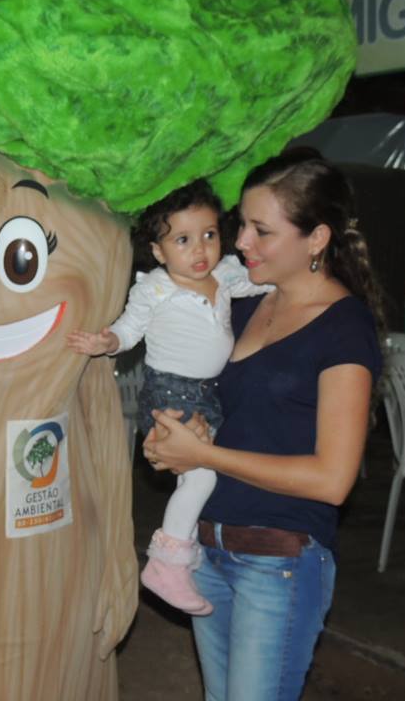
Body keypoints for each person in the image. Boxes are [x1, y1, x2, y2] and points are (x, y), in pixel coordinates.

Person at [142, 156, 384, 701]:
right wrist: (174, 440)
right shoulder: (245, 303)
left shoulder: (344, 328)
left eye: (262, 231)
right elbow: (226, 414)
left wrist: (206, 458)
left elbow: (332, 480)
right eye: (241, 224)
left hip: (278, 562)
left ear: (316, 238)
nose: (240, 241)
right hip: (208, 549)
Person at [67, 179, 268, 614]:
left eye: (209, 235)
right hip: (171, 391)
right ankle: (166, 561)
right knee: (201, 476)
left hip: (209, 392)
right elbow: (128, 328)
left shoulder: (225, 275)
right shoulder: (155, 288)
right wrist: (107, 342)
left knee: (192, 476)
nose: (200, 250)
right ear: (159, 251)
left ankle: (185, 553)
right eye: (182, 240)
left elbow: (261, 282)